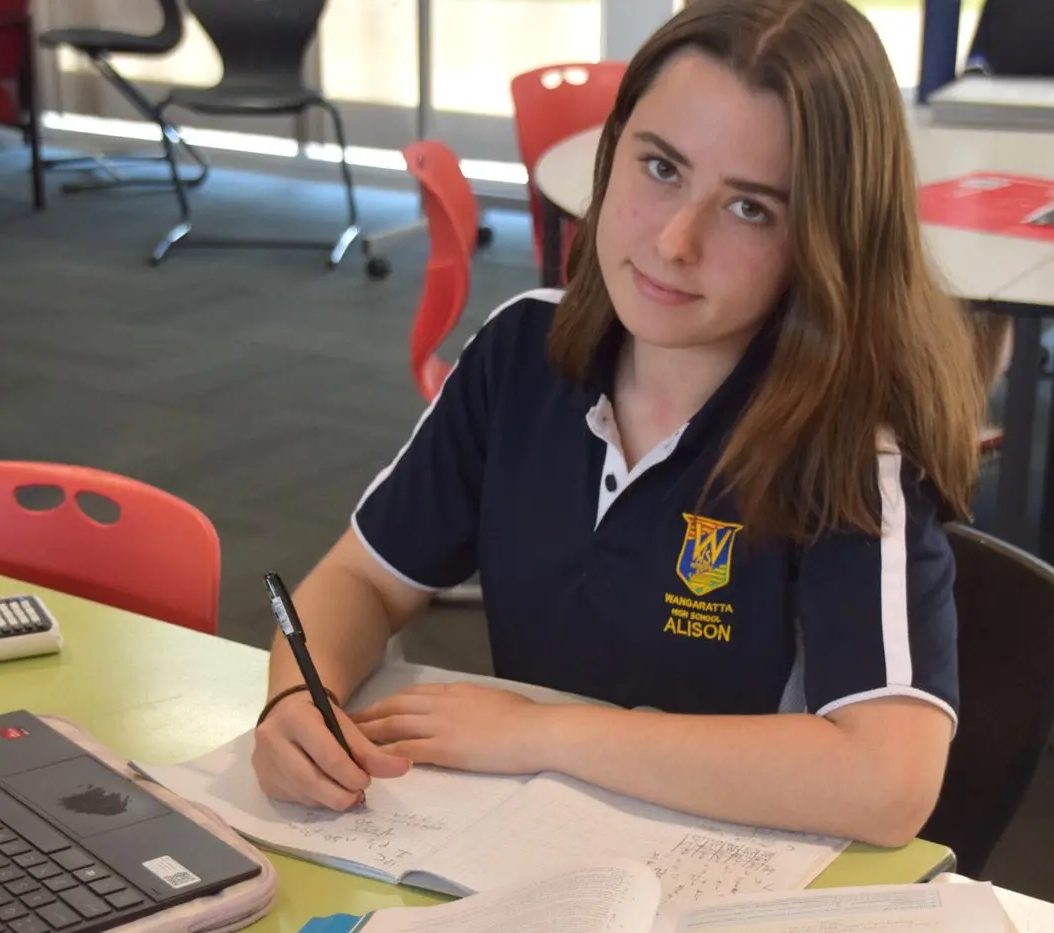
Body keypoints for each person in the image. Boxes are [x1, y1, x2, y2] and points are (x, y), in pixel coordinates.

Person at [253, 0, 989, 849]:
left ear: (827, 239)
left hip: (730, 872)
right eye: (661, 167)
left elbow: (888, 782)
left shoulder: (848, 442)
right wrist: (296, 696)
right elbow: (364, 578)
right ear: (613, 152)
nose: (675, 241)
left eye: (750, 209)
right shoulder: (522, 352)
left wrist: (542, 733)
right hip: (525, 851)